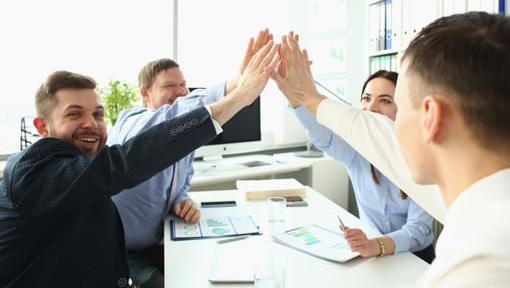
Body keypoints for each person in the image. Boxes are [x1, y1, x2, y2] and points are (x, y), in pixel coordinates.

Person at [271, 12, 510, 287]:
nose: (376, 115)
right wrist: (304, 99)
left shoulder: (480, 266)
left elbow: (378, 136)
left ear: (431, 117)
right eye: (366, 100)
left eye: (398, 105)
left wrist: (309, 96)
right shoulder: (494, 216)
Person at [0, 38, 279, 287]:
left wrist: (181, 198)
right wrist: (237, 95)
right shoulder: (32, 170)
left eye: (97, 114)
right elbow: (123, 163)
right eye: (74, 114)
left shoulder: (85, 161)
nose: (91, 124)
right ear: (43, 127)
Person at [107, 29, 273, 288]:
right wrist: (234, 86)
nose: (181, 91)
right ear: (145, 94)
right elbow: (174, 116)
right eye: (169, 86)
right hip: (126, 251)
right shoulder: (133, 123)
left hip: (164, 239)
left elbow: (181, 184)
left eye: (183, 84)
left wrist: (182, 200)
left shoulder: (184, 141)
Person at [291, 69, 435, 263]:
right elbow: (322, 134)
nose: (370, 108)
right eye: (366, 98)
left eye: (384, 100)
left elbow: (418, 231)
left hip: (413, 258)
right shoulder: (357, 151)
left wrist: (375, 245)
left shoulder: (424, 160)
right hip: (371, 255)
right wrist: (293, 94)